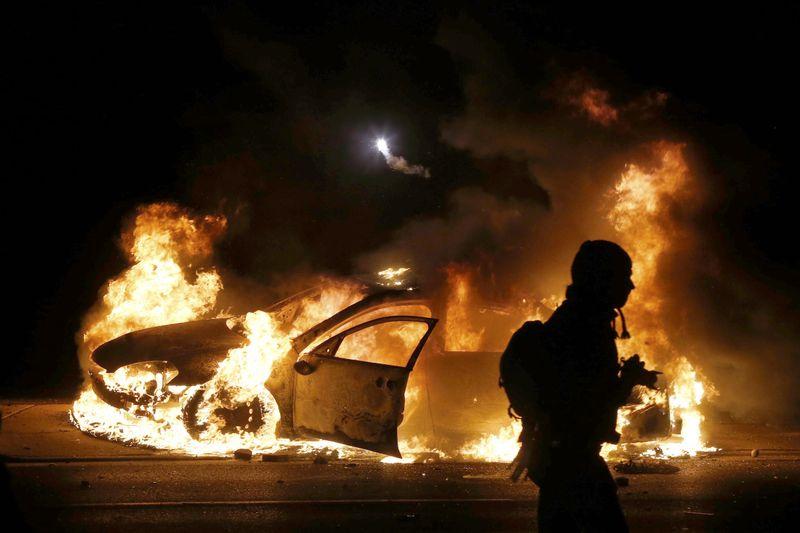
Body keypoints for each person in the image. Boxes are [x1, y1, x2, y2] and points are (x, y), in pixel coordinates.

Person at [503, 240, 659, 532]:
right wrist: (627, 381)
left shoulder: (581, 320)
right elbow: (586, 399)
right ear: (602, 279)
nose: (631, 285)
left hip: (565, 459)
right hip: (572, 463)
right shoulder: (583, 327)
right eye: (624, 276)